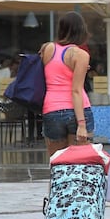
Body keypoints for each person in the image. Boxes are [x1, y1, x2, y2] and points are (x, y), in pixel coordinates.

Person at [40, 11, 94, 156]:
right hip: (77, 110)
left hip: (51, 109)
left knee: (57, 164)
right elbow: (76, 90)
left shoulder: (47, 49)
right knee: (78, 163)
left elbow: (54, 70)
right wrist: (81, 124)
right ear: (81, 30)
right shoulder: (81, 55)